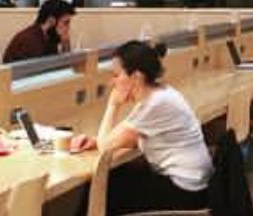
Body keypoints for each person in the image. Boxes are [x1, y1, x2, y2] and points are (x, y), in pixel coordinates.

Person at [66, 41, 212, 215]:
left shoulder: (155, 104)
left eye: (116, 75)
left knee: (103, 185)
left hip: (186, 192)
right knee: (114, 177)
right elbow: (126, 139)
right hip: (196, 184)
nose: (111, 82)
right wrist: (97, 141)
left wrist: (113, 105)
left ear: (136, 77)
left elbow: (106, 148)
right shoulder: (160, 94)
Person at [3, 0, 74, 63]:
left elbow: (63, 65)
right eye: (66, 23)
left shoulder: (50, 36)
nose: (68, 27)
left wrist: (65, 43)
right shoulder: (29, 40)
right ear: (51, 20)